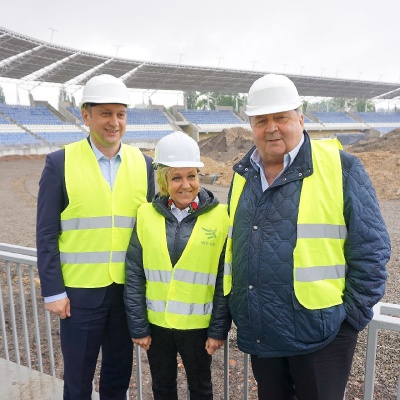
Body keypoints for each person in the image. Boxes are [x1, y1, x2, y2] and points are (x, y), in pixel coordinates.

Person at [224, 74, 391, 400]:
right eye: (261, 120)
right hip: (264, 333)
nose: (271, 127)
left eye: (281, 117)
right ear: (251, 126)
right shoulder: (242, 177)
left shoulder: (341, 168)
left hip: (323, 337)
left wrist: (350, 320)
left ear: (300, 119)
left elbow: (371, 248)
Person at [36, 74, 155, 400]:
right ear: (86, 116)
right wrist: (53, 292)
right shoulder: (60, 163)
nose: (114, 122)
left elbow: (150, 231)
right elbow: (46, 234)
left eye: (120, 113)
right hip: (77, 297)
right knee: (77, 381)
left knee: (118, 379)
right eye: (105, 113)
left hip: (125, 295)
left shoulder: (143, 165)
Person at [124, 131, 231, 400]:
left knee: (201, 388)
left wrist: (218, 329)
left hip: (198, 327)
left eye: (191, 176)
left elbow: (224, 278)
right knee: (162, 387)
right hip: (157, 326)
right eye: (176, 177)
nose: (186, 185)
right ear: (163, 181)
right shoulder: (146, 215)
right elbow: (135, 273)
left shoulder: (221, 217)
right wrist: (138, 326)